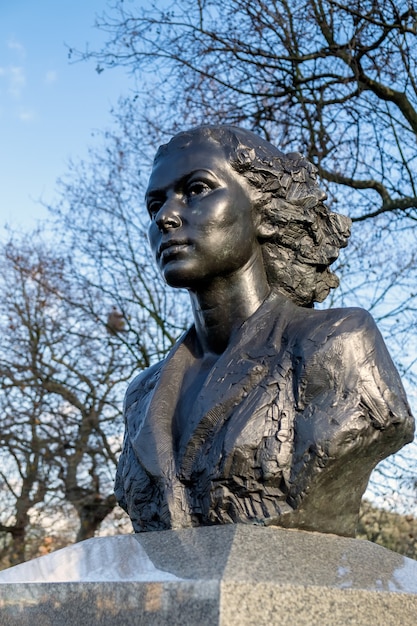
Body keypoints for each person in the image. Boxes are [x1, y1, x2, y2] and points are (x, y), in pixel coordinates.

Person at [115, 125, 414, 536]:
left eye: (197, 189)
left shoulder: (336, 344)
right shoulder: (141, 396)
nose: (166, 217)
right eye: (155, 205)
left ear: (265, 212)